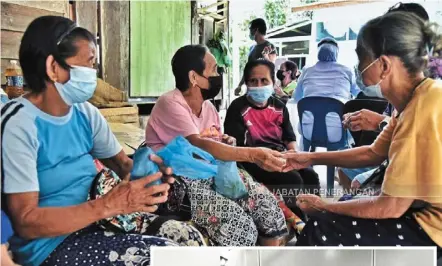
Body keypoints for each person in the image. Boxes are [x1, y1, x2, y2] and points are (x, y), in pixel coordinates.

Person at [1, 16, 203, 266]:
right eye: (89, 64)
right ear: (54, 67)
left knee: (190, 240)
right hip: (51, 242)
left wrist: (151, 176)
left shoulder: (84, 113)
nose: (93, 75)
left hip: (103, 218)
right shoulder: (19, 124)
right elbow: (27, 221)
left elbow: (122, 165)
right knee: (166, 259)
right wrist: (107, 205)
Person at [283, 12, 442, 252]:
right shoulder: (415, 100)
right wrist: (308, 157)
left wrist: (325, 206)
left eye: (361, 60)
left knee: (322, 228)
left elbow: (390, 207)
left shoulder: (423, 107)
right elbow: (372, 153)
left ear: (384, 66)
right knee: (349, 199)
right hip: (419, 212)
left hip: (432, 229)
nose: (358, 69)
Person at [145, 45, 289, 246]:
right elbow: (198, 143)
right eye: (213, 70)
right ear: (194, 77)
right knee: (240, 228)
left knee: (269, 210)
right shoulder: (170, 103)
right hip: (180, 180)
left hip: (214, 172)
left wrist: (226, 142)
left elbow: (214, 142)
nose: (218, 75)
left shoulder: (209, 107)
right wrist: (253, 154)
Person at [338, 2, 431, 190]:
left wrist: (380, 122)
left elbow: (422, 143)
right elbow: (375, 151)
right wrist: (307, 157)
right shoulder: (401, 83)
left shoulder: (430, 88)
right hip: (394, 158)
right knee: (349, 177)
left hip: (420, 174)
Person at [224, 60, 320, 214]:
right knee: (293, 180)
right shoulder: (237, 108)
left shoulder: (279, 106)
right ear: (246, 84)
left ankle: (316, 217)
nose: (259, 85)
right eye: (253, 81)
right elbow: (236, 148)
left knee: (310, 175)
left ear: (273, 82)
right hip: (252, 160)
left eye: (264, 81)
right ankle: (300, 223)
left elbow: (289, 137)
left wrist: (294, 155)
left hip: (280, 155)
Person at [235, 18, 277, 96]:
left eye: (251, 29)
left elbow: (272, 67)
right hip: (251, 88)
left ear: (256, 30)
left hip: (264, 89)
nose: (250, 32)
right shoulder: (252, 48)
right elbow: (248, 69)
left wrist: (265, 56)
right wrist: (240, 85)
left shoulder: (269, 46)